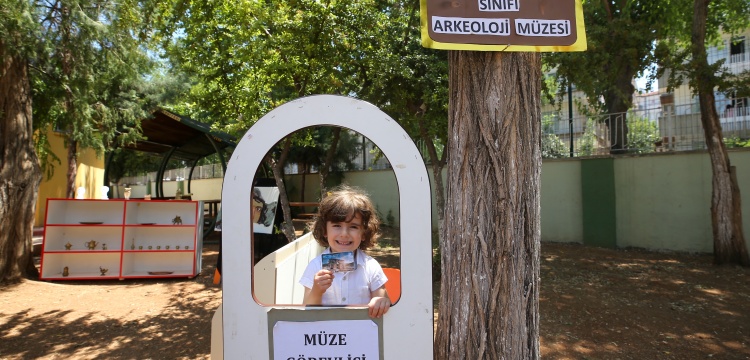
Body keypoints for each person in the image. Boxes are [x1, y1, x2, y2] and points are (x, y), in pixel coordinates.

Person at [299, 186, 390, 318]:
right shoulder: (315, 267)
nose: (344, 234)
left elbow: (384, 300)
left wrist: (381, 301)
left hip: (361, 333)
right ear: (324, 230)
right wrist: (316, 291)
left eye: (353, 227)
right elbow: (306, 311)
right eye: (337, 226)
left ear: (364, 233)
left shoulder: (371, 266)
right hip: (327, 335)